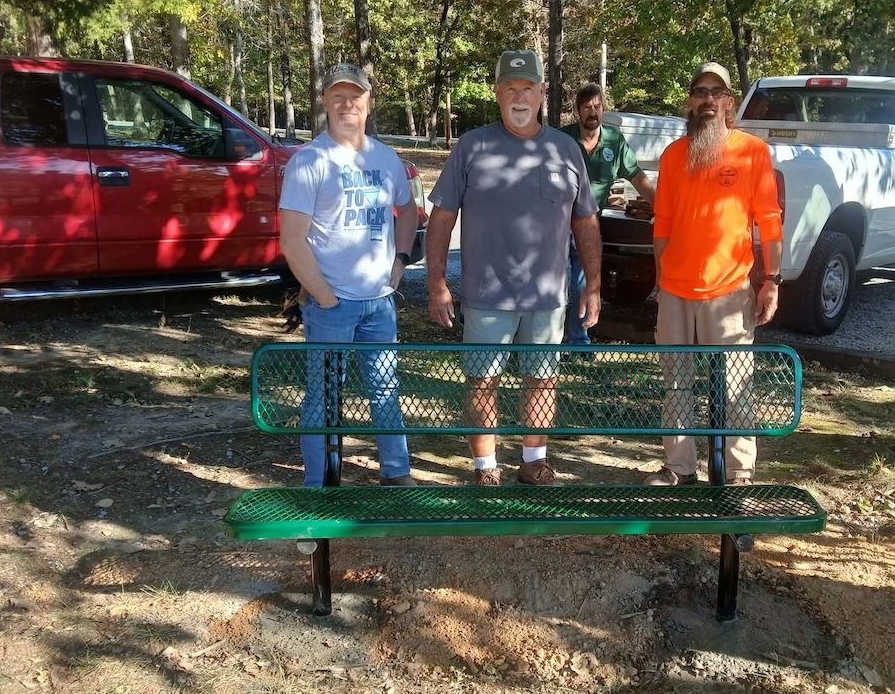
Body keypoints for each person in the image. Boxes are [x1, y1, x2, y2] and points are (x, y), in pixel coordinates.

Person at [426, 49, 602, 486]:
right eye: (510, 88)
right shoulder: (472, 146)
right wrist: (435, 284)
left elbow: (586, 221)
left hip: (547, 297)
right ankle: (486, 467)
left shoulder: (566, 148)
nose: (519, 97)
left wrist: (593, 284)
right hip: (488, 296)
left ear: (543, 92)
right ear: (497, 93)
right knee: (482, 382)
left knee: (541, 382)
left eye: (528, 88)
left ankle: (533, 460)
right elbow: (442, 218)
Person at [278, 62, 419, 487]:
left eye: (355, 96)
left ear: (368, 103)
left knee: (386, 391)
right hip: (331, 306)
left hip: (379, 302)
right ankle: (319, 484)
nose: (346, 104)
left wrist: (400, 261)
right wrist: (323, 296)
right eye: (337, 96)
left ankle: (396, 474)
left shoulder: (385, 157)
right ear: (324, 102)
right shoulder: (310, 161)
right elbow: (292, 239)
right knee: (323, 398)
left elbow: (409, 208)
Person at [644, 62, 784, 487]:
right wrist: (660, 282)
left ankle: (738, 477)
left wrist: (771, 281)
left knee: (737, 390)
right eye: (699, 91)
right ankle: (679, 469)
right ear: (691, 101)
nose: (707, 99)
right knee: (677, 388)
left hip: (729, 293)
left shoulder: (752, 152)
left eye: (716, 92)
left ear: (728, 102)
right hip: (675, 291)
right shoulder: (672, 156)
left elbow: (769, 222)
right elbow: (662, 225)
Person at [559, 83, 655, 345]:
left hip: (589, 227)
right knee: (550, 285)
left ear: (604, 109)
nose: (593, 112)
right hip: (554, 226)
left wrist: (660, 207)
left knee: (584, 284)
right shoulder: (561, 139)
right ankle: (543, 342)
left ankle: (579, 342)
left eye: (597, 107)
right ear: (578, 110)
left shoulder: (614, 141)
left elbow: (637, 177)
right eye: (587, 107)